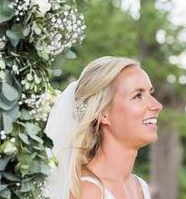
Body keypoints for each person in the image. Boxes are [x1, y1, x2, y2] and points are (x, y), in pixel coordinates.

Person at [44, 56, 162, 199]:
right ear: (103, 113)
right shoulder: (88, 192)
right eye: (137, 96)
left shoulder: (141, 188)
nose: (157, 106)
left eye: (150, 93)